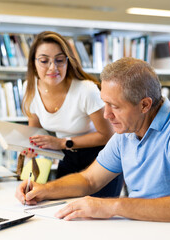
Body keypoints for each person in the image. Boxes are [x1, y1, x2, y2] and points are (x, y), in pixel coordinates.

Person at [16, 57, 170, 239]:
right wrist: (43, 190)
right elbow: (89, 180)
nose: (106, 115)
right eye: (104, 103)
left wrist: (110, 207)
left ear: (145, 105)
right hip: (149, 231)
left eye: (115, 106)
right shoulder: (127, 132)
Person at [21, 31, 123, 197]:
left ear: (68, 61)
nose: (53, 67)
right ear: (33, 63)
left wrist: (62, 143)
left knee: (100, 217)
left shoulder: (86, 90)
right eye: (44, 61)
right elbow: (34, 132)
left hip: (101, 159)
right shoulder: (30, 88)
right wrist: (31, 146)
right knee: (63, 211)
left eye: (59, 60)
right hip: (68, 157)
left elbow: (108, 135)